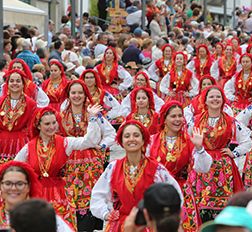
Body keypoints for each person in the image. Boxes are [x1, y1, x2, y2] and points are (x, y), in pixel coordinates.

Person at [14, 104, 105, 229]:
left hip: (60, 192)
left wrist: (92, 118)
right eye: (47, 124)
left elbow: (89, 141)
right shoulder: (29, 147)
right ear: (38, 125)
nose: (52, 127)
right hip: (37, 192)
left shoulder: (65, 143)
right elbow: (15, 166)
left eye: (54, 122)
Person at [90, 120, 183, 231]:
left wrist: (165, 220)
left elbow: (175, 195)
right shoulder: (113, 168)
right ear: (121, 141)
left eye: (136, 135)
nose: (131, 139)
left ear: (143, 140)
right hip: (121, 226)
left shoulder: (157, 169)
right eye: (127, 136)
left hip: (150, 224)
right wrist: (106, 213)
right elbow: (98, 195)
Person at [187, 85, 252, 222]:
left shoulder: (231, 121)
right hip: (201, 164)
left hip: (223, 167)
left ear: (223, 100)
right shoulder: (195, 120)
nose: (215, 99)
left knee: (223, 206)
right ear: (205, 101)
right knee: (199, 204)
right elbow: (187, 140)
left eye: (218, 97)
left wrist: (234, 152)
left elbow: (247, 141)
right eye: (211, 97)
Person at [60, 80, 116, 231]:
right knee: (70, 199)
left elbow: (111, 133)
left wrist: (102, 146)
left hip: (91, 164)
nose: (77, 96)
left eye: (80, 93)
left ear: (85, 95)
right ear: (68, 95)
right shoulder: (61, 115)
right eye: (73, 93)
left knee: (90, 199)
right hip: (68, 163)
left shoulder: (94, 113)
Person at [149, 101, 212, 231]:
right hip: (157, 192)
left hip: (181, 192)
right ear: (164, 119)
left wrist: (199, 148)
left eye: (180, 116)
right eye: (173, 116)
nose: (178, 120)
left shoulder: (189, 141)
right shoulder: (151, 140)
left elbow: (204, 168)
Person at [0, 161, 72, 231]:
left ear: (28, 187)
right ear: (1, 186)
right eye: (8, 183)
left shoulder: (45, 217)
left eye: (20, 184)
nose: (13, 188)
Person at [0, 70, 37, 164]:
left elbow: (31, 127)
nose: (14, 83)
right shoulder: (1, 101)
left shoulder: (30, 103)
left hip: (21, 143)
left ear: (23, 84)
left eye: (18, 81)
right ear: (7, 84)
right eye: (11, 81)